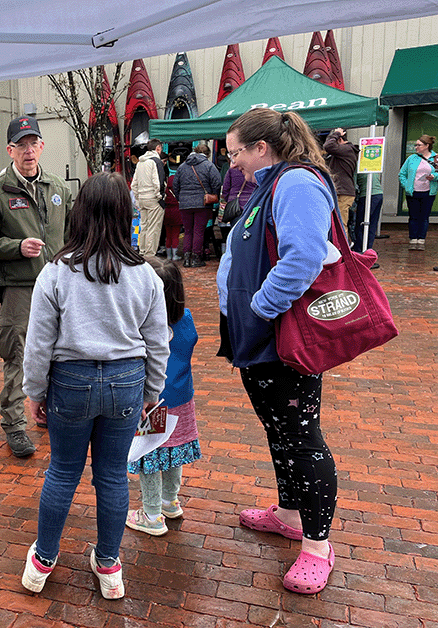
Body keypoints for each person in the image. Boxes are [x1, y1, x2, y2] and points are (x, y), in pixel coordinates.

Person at [20, 172, 170, 599]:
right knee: (111, 476)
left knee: (63, 472)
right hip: (127, 383)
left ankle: (42, 562)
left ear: (78, 213)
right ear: (127, 214)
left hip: (70, 382)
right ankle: (108, 567)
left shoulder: (56, 273)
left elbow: (38, 343)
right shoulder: (146, 276)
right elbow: (159, 342)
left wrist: (34, 392)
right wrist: (153, 393)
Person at [217, 108, 338, 595]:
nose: (233, 164)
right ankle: (289, 513)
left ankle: (317, 545)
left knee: (302, 436)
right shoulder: (273, 182)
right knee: (280, 432)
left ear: (260, 148)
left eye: (235, 152)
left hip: (281, 339)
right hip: (260, 340)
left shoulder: (297, 184)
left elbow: (304, 256)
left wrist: (261, 308)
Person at [0, 116, 72, 458]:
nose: (28, 151)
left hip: (58, 285)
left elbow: (73, 235)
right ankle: (14, 425)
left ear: (41, 146)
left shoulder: (58, 187)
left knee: (60, 352)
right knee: (18, 354)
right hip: (20, 288)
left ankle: (48, 410)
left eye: (34, 143)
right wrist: (15, 248)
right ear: (10, 150)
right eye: (21, 145)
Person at [126, 257, 201, 536]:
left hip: (152, 403)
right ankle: (171, 502)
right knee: (174, 453)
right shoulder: (187, 318)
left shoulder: (143, 326)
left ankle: (152, 514)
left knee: (150, 455)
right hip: (182, 399)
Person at [173, 143, 221, 268]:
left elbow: (175, 185)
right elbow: (217, 182)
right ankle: (196, 258)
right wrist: (212, 194)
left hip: (184, 203)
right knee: (199, 231)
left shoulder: (182, 166)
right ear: (207, 154)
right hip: (202, 203)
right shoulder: (209, 165)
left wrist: (181, 198)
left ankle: (187, 258)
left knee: (188, 231)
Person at [399, 135, 437, 251]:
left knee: (424, 217)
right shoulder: (411, 158)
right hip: (413, 192)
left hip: (428, 192)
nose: (416, 147)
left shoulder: (435, 158)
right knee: (413, 217)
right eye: (415, 145)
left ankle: (421, 239)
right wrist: (406, 186)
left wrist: (434, 176)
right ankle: (413, 239)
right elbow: (402, 174)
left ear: (427, 146)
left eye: (418, 145)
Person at [131, 139, 166, 256]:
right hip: (153, 198)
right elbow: (158, 182)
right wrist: (160, 197)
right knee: (153, 228)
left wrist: (137, 197)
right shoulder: (156, 162)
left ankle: (142, 251)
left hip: (141, 198)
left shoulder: (140, 162)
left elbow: (134, 184)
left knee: (144, 226)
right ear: (158, 148)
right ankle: (150, 255)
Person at [323, 127, 358, 231]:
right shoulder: (344, 151)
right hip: (341, 191)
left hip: (343, 192)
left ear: (339, 139)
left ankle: (343, 247)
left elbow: (328, 146)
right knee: (336, 225)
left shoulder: (347, 149)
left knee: (341, 225)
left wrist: (336, 133)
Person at [353, 172, 383, 258]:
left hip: (366, 195)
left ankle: (359, 251)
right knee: (372, 225)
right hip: (379, 194)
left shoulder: (359, 167)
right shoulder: (372, 166)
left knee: (361, 223)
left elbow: (354, 185)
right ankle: (369, 249)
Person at [162, 173, 182, 261]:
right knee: (175, 235)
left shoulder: (166, 193)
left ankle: (168, 255)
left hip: (167, 214)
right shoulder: (178, 192)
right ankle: (175, 255)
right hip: (177, 214)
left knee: (168, 235)